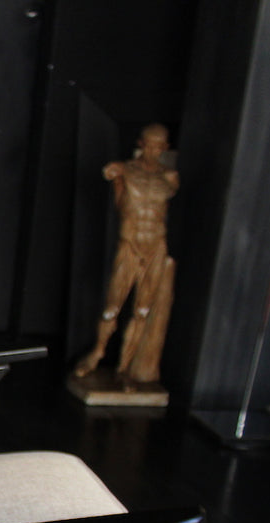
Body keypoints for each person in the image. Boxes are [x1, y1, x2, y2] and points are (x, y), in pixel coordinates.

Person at [73, 123, 179, 385]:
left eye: (159, 146)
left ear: (165, 148)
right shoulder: (123, 169)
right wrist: (117, 178)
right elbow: (118, 196)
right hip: (130, 243)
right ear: (140, 143)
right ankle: (97, 353)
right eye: (149, 144)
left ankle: (124, 368)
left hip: (156, 245)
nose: (153, 150)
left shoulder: (169, 177)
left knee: (142, 309)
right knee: (112, 307)